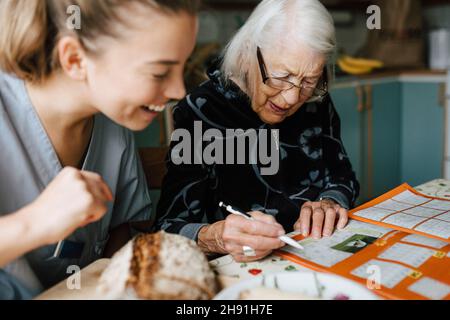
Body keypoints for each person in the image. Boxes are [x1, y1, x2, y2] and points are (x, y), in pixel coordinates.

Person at [0, 0, 199, 299]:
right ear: (75, 59)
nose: (179, 92)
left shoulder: (115, 117)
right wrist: (35, 222)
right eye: (159, 73)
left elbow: (119, 231)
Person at [156, 0, 359, 262]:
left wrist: (330, 203)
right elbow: (167, 227)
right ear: (247, 54)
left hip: (316, 254)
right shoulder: (202, 111)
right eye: (281, 76)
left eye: (309, 81)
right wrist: (217, 237)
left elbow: (343, 178)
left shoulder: (315, 101)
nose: (291, 98)